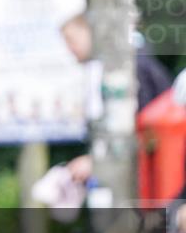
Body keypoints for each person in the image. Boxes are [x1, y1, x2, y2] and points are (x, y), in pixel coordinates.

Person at [59, 13, 173, 184]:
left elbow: (149, 132)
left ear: (91, 32)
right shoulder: (107, 70)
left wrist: (98, 163)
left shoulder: (132, 68)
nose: (69, 49)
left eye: (71, 40)